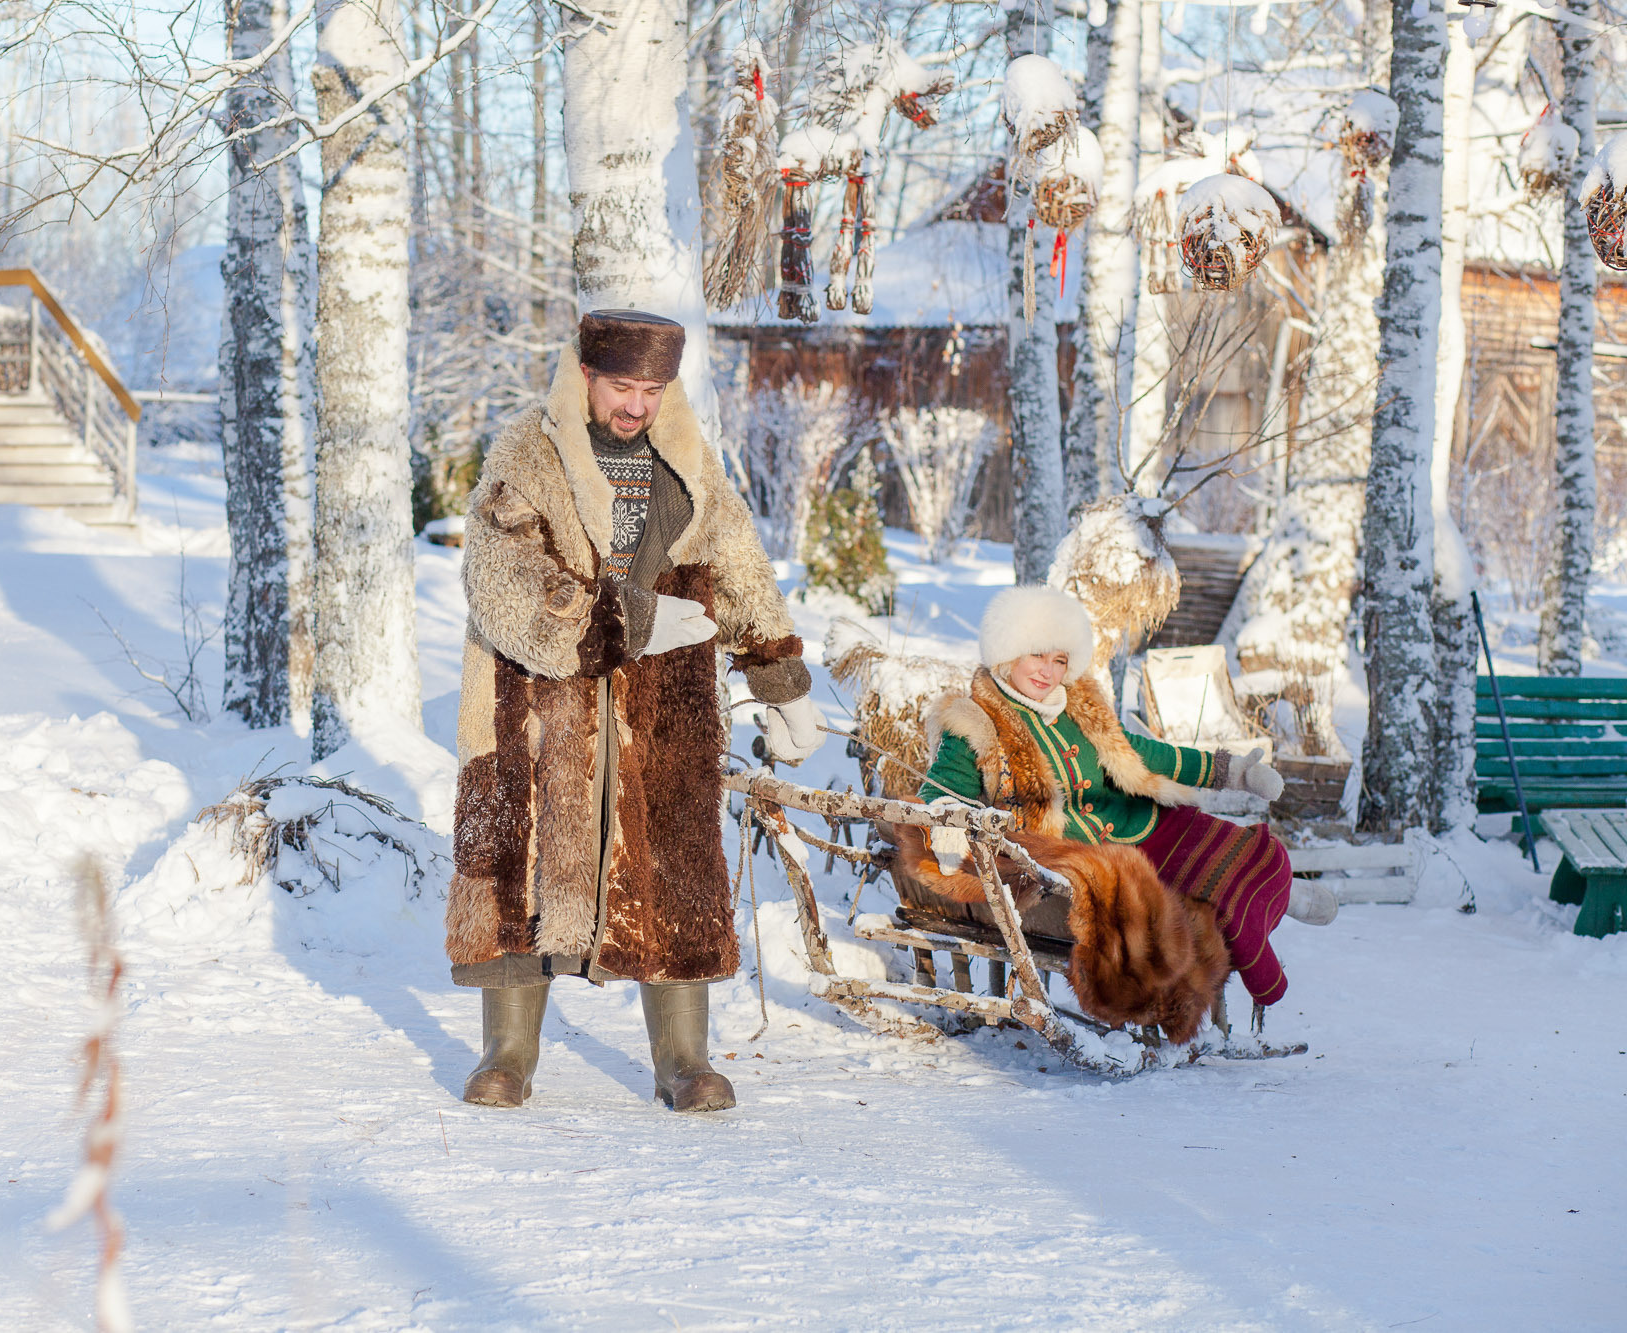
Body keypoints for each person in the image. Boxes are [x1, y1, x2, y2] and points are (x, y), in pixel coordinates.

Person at [445, 309, 824, 1112]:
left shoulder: (685, 461)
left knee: (674, 861)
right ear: (585, 374)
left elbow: (738, 560)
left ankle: (683, 1057)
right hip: (538, 702)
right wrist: (630, 622)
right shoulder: (528, 454)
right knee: (525, 864)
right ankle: (507, 1051)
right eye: (623, 386)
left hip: (664, 708)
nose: (637, 406)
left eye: (653, 390)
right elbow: (502, 582)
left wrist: (779, 674)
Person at [916, 585, 1331, 1013]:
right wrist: (947, 821)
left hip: (1149, 827)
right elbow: (942, 790)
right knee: (1200, 913)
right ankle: (1267, 956)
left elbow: (1144, 753)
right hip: (1093, 862)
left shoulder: (1079, 705)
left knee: (1247, 851)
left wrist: (1231, 770)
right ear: (1008, 652)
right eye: (1037, 655)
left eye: (1059, 660)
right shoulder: (974, 721)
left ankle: (1287, 896)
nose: (1048, 672)